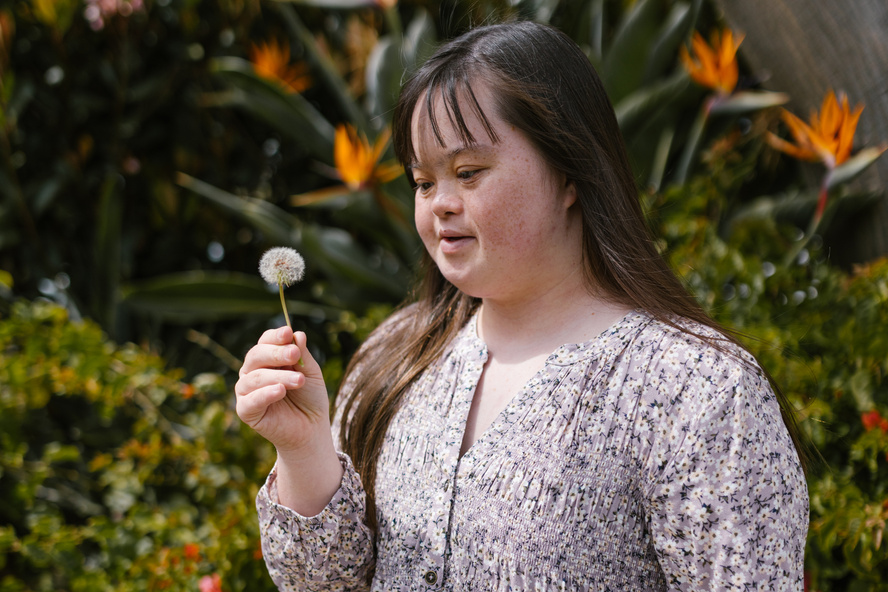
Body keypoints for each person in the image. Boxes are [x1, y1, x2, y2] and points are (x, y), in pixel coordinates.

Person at [235, 20, 809, 592]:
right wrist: (304, 448)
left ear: (569, 173)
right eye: (423, 182)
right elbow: (324, 585)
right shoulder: (394, 357)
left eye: (468, 173)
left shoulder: (696, 390)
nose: (441, 205)